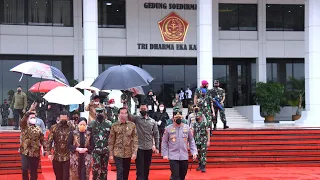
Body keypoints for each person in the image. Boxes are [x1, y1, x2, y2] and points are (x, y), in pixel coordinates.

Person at [162, 109, 198, 180]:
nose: (178, 119)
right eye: (176, 118)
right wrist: (165, 154)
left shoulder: (187, 128)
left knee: (182, 176)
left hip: (184, 156)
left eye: (180, 118)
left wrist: (194, 152)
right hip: (173, 156)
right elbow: (164, 142)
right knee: (175, 176)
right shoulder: (168, 129)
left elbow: (191, 141)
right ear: (173, 118)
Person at [130, 104, 160, 180]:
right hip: (139, 147)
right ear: (139, 110)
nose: (143, 110)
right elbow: (129, 116)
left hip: (149, 148)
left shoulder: (152, 121)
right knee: (140, 167)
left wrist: (157, 147)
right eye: (141, 109)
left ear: (147, 109)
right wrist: (127, 103)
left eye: (144, 109)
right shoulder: (136, 119)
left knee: (147, 166)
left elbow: (156, 134)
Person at [108, 107, 138, 180]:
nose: (123, 115)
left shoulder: (132, 125)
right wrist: (111, 154)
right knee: (120, 171)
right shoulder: (114, 125)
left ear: (127, 114)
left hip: (128, 153)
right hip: (117, 152)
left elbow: (135, 139)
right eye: (122, 113)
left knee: (126, 172)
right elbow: (111, 140)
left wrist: (134, 152)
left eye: (125, 113)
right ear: (118, 114)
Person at [46, 111, 75, 180]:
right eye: (62, 119)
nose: (63, 121)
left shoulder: (71, 128)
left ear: (68, 118)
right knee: (58, 176)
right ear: (59, 118)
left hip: (68, 156)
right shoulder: (54, 127)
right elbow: (49, 141)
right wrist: (49, 153)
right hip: (57, 156)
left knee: (66, 177)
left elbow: (75, 139)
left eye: (65, 119)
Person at [20, 102, 44, 180]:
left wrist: (45, 150)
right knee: (24, 169)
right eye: (31, 117)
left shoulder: (38, 129)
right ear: (28, 118)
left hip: (35, 152)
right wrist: (29, 110)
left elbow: (42, 140)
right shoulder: (24, 126)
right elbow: (23, 120)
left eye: (34, 118)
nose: (33, 119)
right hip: (25, 151)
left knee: (34, 171)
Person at [89, 108, 112, 180]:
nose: (100, 114)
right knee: (96, 167)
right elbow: (88, 136)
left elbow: (112, 136)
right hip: (95, 149)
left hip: (105, 149)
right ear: (95, 114)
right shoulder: (92, 124)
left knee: (104, 168)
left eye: (101, 113)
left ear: (104, 113)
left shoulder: (109, 123)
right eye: (98, 113)